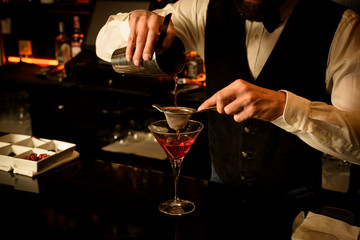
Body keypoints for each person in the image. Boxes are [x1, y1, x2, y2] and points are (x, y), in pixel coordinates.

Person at [96, 0, 360, 196]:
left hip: (296, 195)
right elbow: (103, 47)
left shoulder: (342, 26)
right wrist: (133, 22)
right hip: (219, 183)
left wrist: (283, 108)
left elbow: (357, 142)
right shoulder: (203, 8)